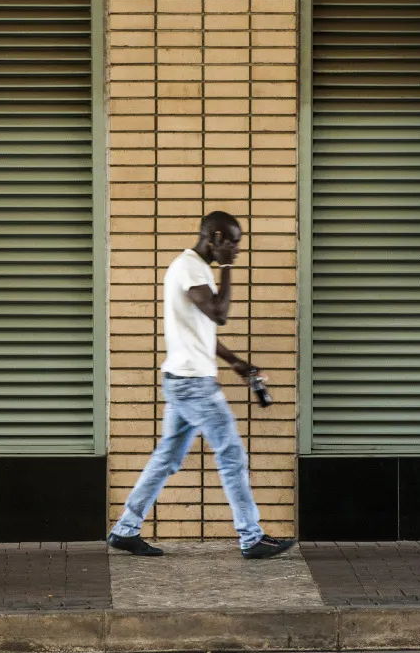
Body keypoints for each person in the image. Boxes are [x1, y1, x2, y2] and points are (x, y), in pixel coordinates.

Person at [109, 210, 294, 560]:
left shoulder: (192, 267)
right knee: (231, 455)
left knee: (166, 458)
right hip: (194, 384)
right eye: (234, 244)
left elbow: (200, 330)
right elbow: (219, 313)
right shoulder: (191, 267)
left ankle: (125, 529)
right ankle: (251, 537)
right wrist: (226, 269)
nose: (239, 251)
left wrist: (236, 362)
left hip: (184, 379)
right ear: (216, 240)